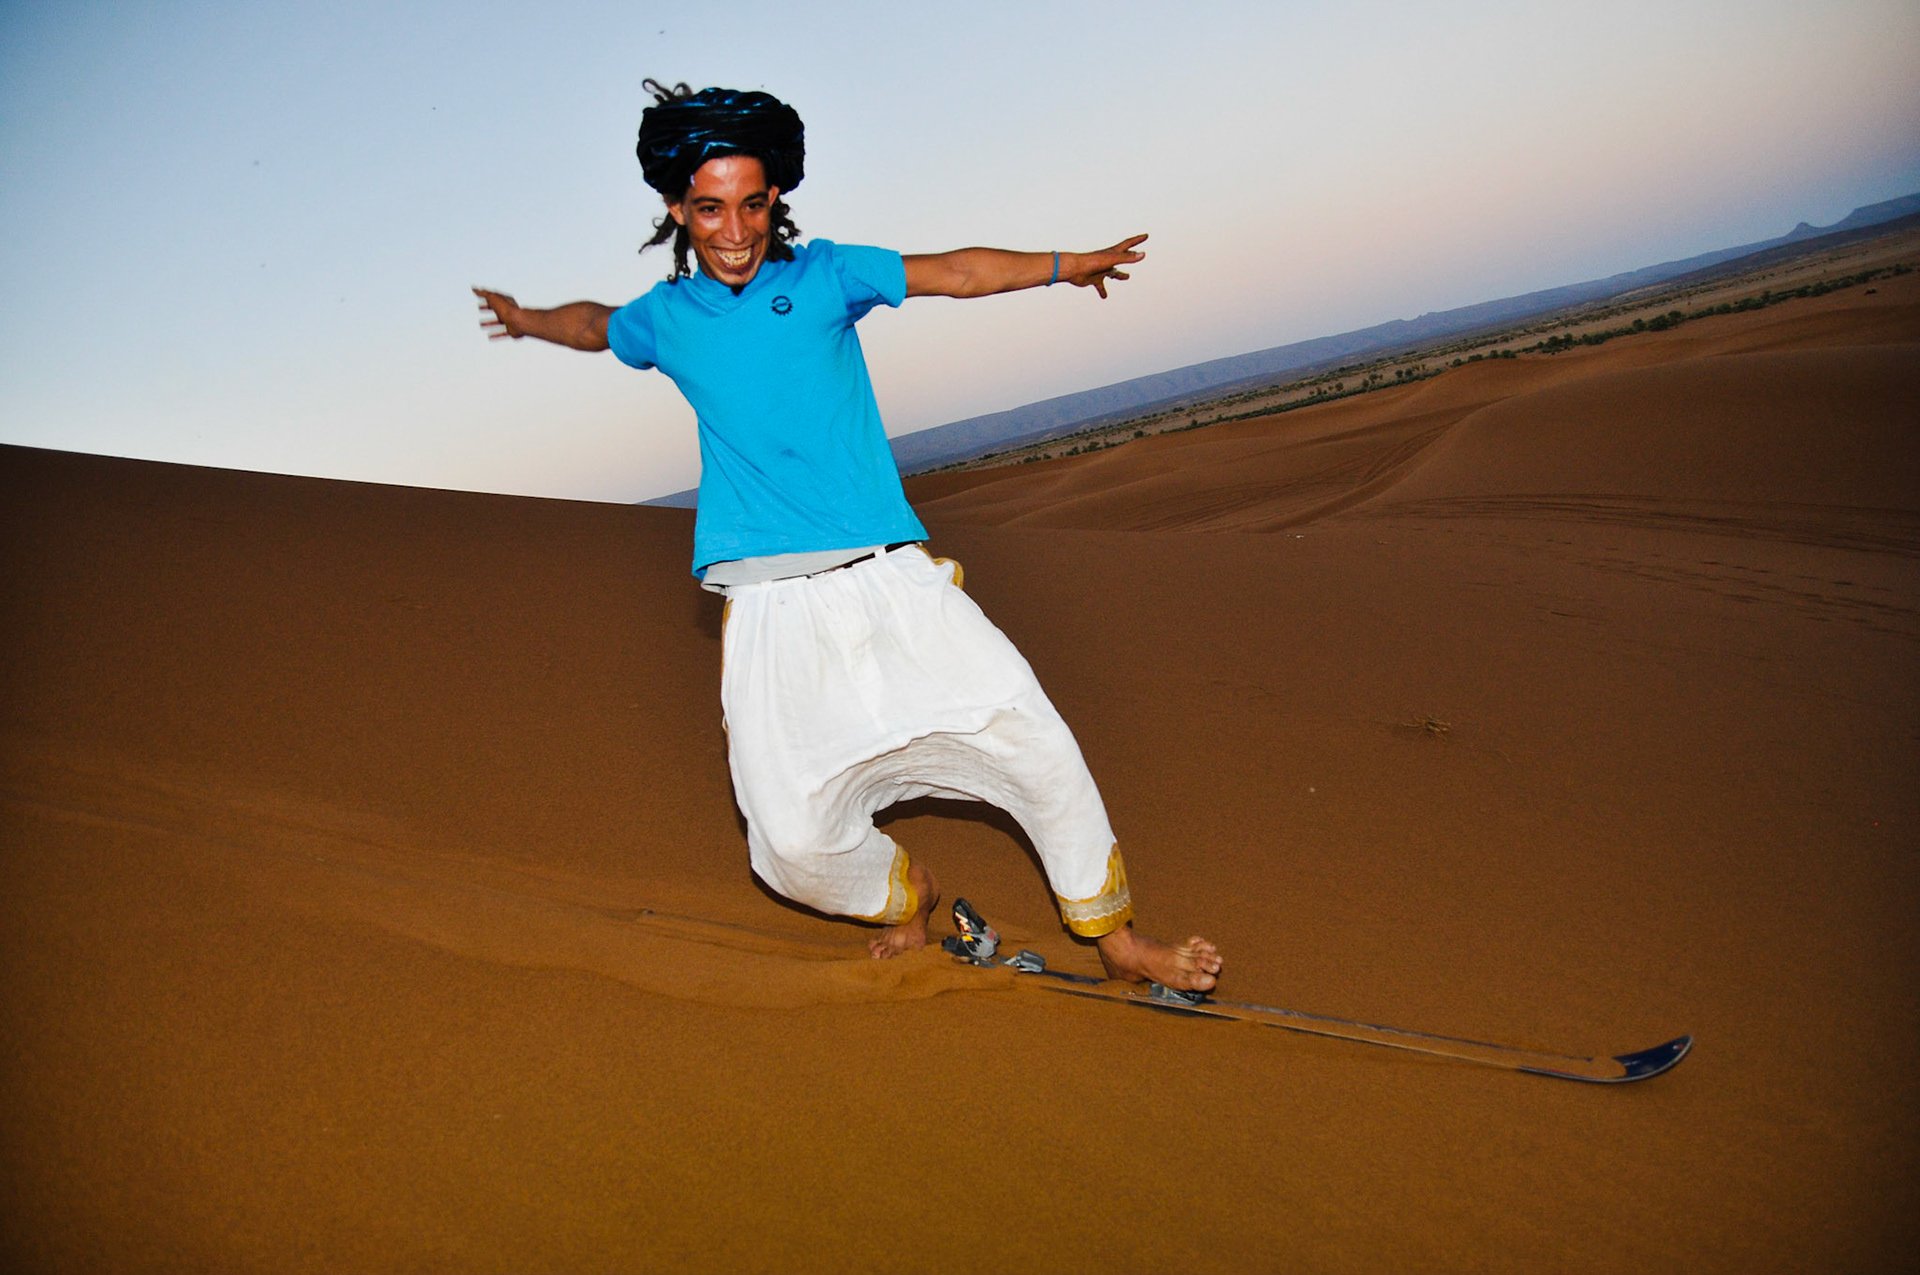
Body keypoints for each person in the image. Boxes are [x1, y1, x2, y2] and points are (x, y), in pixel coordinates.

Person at [473, 81, 1221, 992]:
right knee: (787, 833)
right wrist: (526, 321)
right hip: (768, 607)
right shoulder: (664, 320)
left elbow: (958, 270)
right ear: (677, 210)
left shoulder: (825, 275)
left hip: (887, 579)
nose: (736, 229)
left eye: (753, 203)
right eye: (710, 208)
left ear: (776, 198)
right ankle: (907, 895)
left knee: (1036, 746)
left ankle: (1118, 943)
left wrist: (1067, 264)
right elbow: (594, 326)